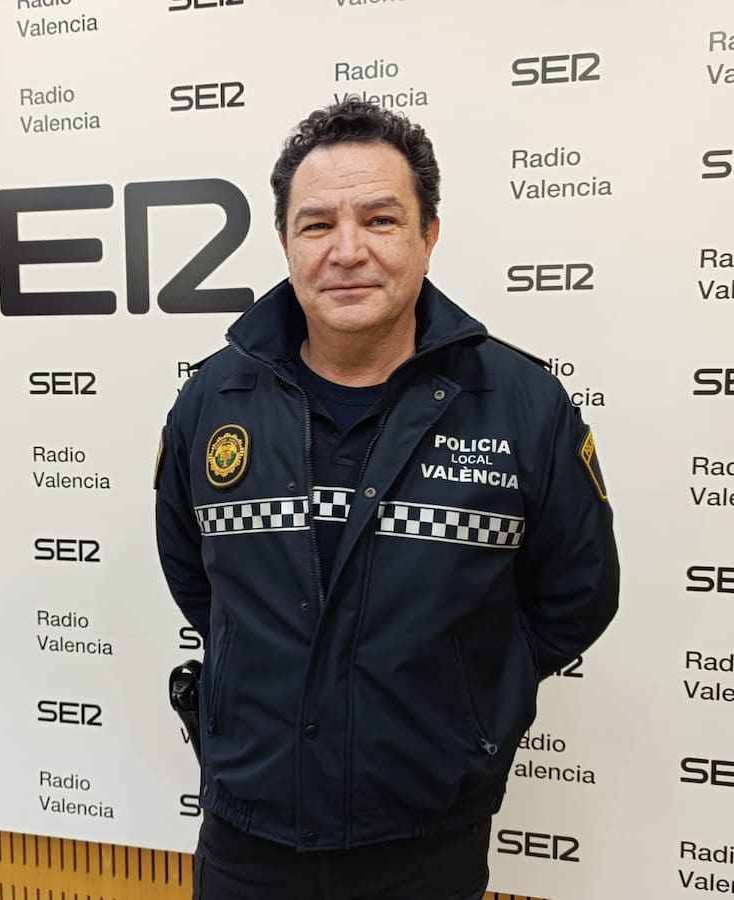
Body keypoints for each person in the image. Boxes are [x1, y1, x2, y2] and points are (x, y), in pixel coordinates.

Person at [154, 98, 619, 900]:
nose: (347, 251)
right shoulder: (212, 401)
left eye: (379, 219)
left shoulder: (522, 404)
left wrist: (465, 702)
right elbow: (195, 580)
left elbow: (576, 597)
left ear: (427, 235)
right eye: (316, 225)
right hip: (247, 837)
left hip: (426, 841)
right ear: (285, 243)